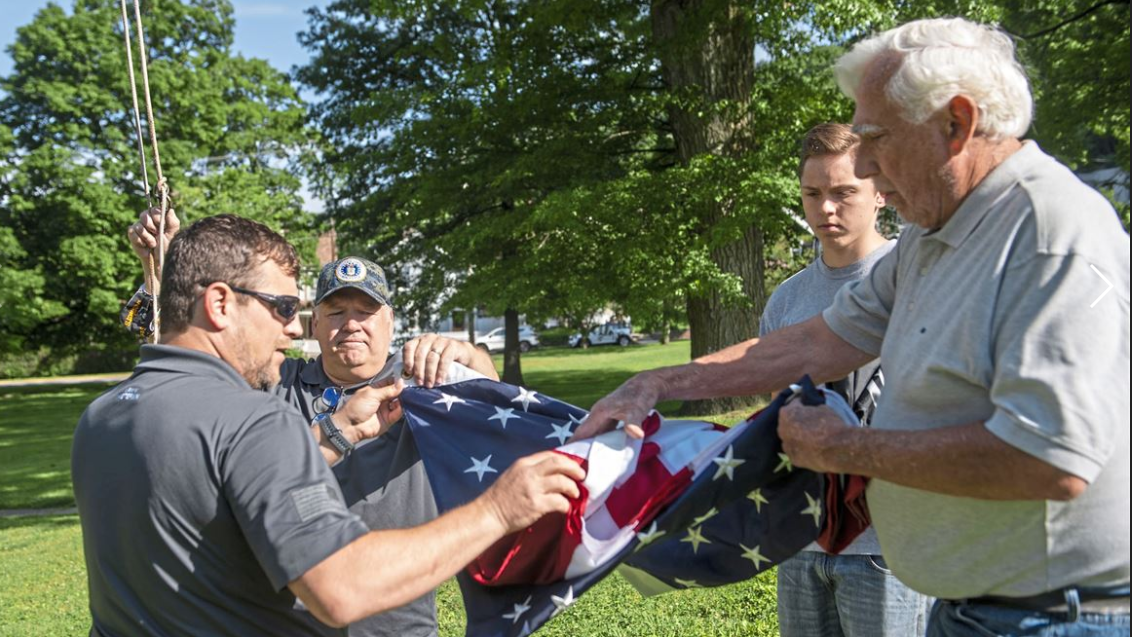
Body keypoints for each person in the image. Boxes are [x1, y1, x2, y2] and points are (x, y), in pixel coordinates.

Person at [575, 17, 1129, 637]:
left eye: (875, 137)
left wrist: (845, 450)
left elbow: (1048, 459)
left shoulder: (1048, 235)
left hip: (1054, 618)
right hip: (977, 608)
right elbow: (819, 340)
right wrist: (657, 381)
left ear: (958, 124)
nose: (863, 161)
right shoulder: (933, 234)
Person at [74, 214, 585, 636]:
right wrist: (158, 270)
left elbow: (495, 414)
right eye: (332, 310)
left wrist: (468, 354)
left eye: (367, 310)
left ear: (390, 321)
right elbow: (182, 337)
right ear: (317, 323)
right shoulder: (271, 386)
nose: (350, 323)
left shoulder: (423, 386)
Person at [764, 122, 929, 637]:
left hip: (890, 548)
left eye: (843, 192)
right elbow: (778, 422)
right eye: (813, 194)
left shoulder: (917, 279)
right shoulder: (785, 301)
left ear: (880, 191)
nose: (826, 209)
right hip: (802, 541)